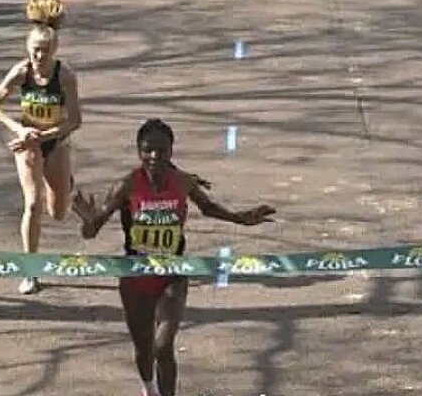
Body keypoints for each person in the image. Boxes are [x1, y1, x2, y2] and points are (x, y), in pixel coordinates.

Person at [72, 118, 276, 396]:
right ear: (138, 151)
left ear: (171, 151)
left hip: (173, 274)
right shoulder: (126, 186)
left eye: (161, 150)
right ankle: (149, 388)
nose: (154, 156)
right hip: (136, 276)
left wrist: (241, 219)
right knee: (144, 348)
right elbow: (91, 231)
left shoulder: (182, 182)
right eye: (147, 150)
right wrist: (87, 221)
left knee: (163, 346)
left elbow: (208, 207)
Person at [0, 0, 81, 296]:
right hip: (28, 145)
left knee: (58, 212)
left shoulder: (65, 76)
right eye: (35, 50)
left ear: (54, 51)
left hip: (56, 142)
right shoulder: (21, 72)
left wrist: (47, 135)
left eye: (45, 51)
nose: (39, 57)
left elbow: (75, 121)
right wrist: (19, 128)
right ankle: (30, 271)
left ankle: (64, 184)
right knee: (32, 204)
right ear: (27, 49)